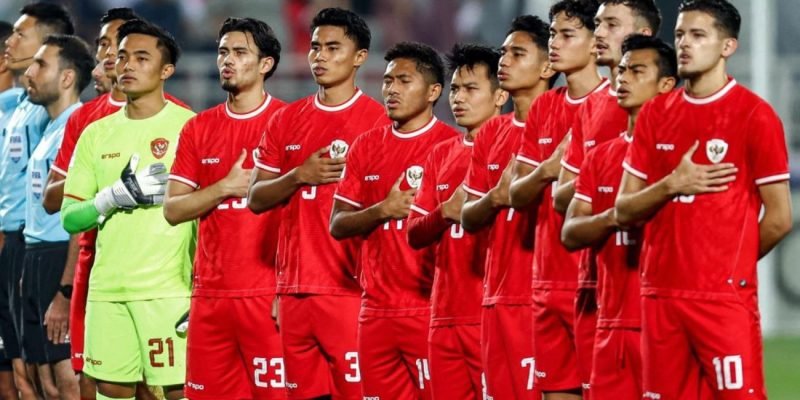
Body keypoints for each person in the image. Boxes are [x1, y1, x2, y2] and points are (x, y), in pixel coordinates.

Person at [616, 1, 791, 398]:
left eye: (698, 35)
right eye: (679, 35)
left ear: (728, 46)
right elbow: (624, 210)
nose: (684, 44)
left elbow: (780, 218)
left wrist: (727, 265)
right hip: (659, 295)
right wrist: (670, 185)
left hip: (722, 300)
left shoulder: (754, 115)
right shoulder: (656, 114)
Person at [41, 9, 188, 400]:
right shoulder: (94, 133)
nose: (126, 65)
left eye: (142, 58)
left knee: (173, 392)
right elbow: (70, 217)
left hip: (167, 290)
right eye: (122, 56)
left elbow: (205, 218)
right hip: (107, 290)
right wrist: (111, 198)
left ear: (166, 70)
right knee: (108, 392)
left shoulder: (190, 127)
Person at [248, 8, 386, 399]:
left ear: (360, 56)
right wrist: (298, 176)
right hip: (294, 293)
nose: (319, 56)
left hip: (351, 293)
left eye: (332, 47)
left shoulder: (378, 123)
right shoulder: (285, 121)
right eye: (314, 47)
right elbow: (256, 199)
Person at [164, 17, 287, 400]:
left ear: (265, 64)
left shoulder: (290, 123)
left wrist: (289, 292)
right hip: (211, 298)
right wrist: (225, 187)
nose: (226, 61)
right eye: (222, 52)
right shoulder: (199, 129)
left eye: (239, 53)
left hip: (268, 296)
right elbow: (173, 209)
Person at [330, 42, 457, 399]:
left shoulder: (451, 147)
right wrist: (382, 210)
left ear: (433, 91)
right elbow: (338, 224)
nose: (392, 90)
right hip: (374, 312)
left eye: (404, 80)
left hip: (429, 310)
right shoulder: (366, 146)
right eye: (387, 81)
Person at [551, 1, 661, 395]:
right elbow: (562, 197)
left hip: (654, 294)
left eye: (611, 24)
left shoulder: (670, 108)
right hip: (596, 288)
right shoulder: (594, 105)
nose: (598, 33)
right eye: (597, 24)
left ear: (642, 36)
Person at [508, 0, 605, 398]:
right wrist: (548, 169)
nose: (556, 43)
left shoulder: (614, 103)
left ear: (595, 43)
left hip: (597, 284)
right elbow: (516, 193)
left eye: (567, 34)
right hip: (547, 280)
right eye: (552, 34)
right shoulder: (545, 105)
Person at [460, 15, 554, 400]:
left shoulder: (565, 121)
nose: (504, 61)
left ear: (548, 66)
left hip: (542, 296)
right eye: (503, 53)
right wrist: (495, 198)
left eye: (518, 53)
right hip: (496, 298)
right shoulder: (494, 132)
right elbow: (467, 216)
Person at [406, 43, 507, 400]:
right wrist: (444, 212)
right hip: (444, 316)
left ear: (500, 95)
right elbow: (414, 234)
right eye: (455, 89)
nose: (458, 98)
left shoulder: (515, 148)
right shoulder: (442, 154)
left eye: (471, 89)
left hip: (493, 315)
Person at [1, 4, 74, 398]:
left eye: (19, 35)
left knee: (54, 371)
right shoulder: (18, 108)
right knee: (27, 368)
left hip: (47, 244)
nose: (10, 44)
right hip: (21, 242)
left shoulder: (58, 116)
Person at [21, 33, 93, 400]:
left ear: (67, 78)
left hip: (56, 258)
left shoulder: (77, 127)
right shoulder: (49, 126)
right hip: (34, 257)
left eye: (40, 64)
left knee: (67, 379)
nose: (28, 72)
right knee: (43, 381)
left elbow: (79, 218)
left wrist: (65, 291)